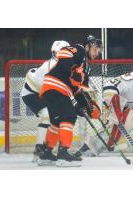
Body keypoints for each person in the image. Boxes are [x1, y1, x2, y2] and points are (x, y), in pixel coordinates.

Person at [38, 35, 103, 167]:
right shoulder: (80, 50)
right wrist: (69, 72)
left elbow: (78, 91)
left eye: (99, 51)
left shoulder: (86, 68)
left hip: (56, 89)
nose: (98, 53)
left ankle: (47, 155)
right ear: (88, 46)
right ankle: (63, 156)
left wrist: (88, 106)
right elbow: (63, 52)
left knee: (57, 121)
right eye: (96, 49)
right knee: (69, 116)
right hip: (56, 86)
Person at [21, 40, 70, 162]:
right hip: (31, 93)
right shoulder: (50, 66)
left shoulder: (64, 65)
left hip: (43, 93)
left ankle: (48, 150)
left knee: (58, 118)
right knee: (47, 116)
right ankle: (39, 150)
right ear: (55, 53)